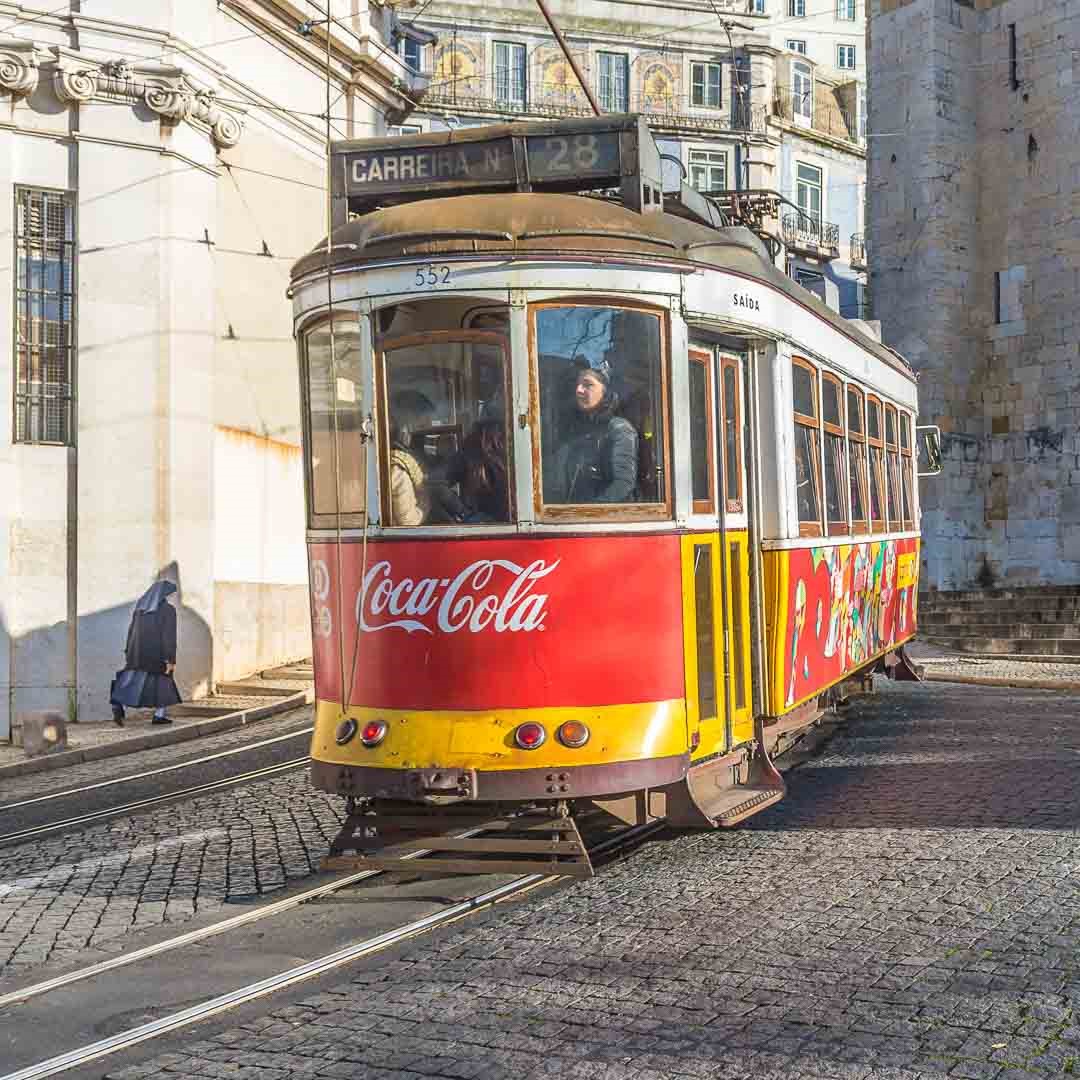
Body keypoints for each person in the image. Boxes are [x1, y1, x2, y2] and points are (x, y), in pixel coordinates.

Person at [547, 360, 638, 504]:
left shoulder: (619, 429)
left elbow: (623, 484)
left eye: (587, 384)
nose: (579, 390)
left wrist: (589, 513)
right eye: (577, 385)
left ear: (606, 391)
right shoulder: (578, 430)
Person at [110, 580, 182, 726]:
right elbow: (169, 635)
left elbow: (131, 632)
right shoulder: (168, 610)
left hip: (136, 654)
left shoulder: (139, 609)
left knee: (133, 682)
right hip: (157, 655)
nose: (170, 597)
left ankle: (120, 705)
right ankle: (159, 715)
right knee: (163, 684)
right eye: (169, 594)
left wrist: (129, 652)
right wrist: (170, 658)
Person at [442, 418, 510, 523]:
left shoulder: (509, 444)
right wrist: (464, 512)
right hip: (488, 522)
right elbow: (441, 483)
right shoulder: (471, 448)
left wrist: (463, 511)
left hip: (501, 521)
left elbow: (441, 483)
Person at [388, 389, 434, 526]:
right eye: (421, 425)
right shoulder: (397, 467)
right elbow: (409, 522)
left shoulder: (404, 459)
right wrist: (426, 499)